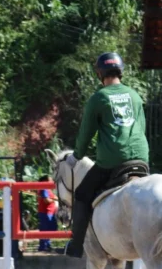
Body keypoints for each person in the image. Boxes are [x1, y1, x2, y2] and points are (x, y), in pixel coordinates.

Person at [63, 52, 150, 258]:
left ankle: (76, 245)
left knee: (83, 195)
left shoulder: (99, 98)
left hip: (113, 161)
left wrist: (76, 156)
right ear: (120, 71)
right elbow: (142, 128)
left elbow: (86, 133)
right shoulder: (135, 96)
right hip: (141, 158)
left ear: (99, 73)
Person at [36, 175, 58, 252]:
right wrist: (55, 199)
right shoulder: (44, 188)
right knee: (46, 230)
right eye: (50, 180)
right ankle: (43, 246)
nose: (52, 181)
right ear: (45, 181)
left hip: (49, 213)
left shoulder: (47, 189)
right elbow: (46, 201)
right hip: (46, 213)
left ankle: (46, 245)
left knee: (51, 229)